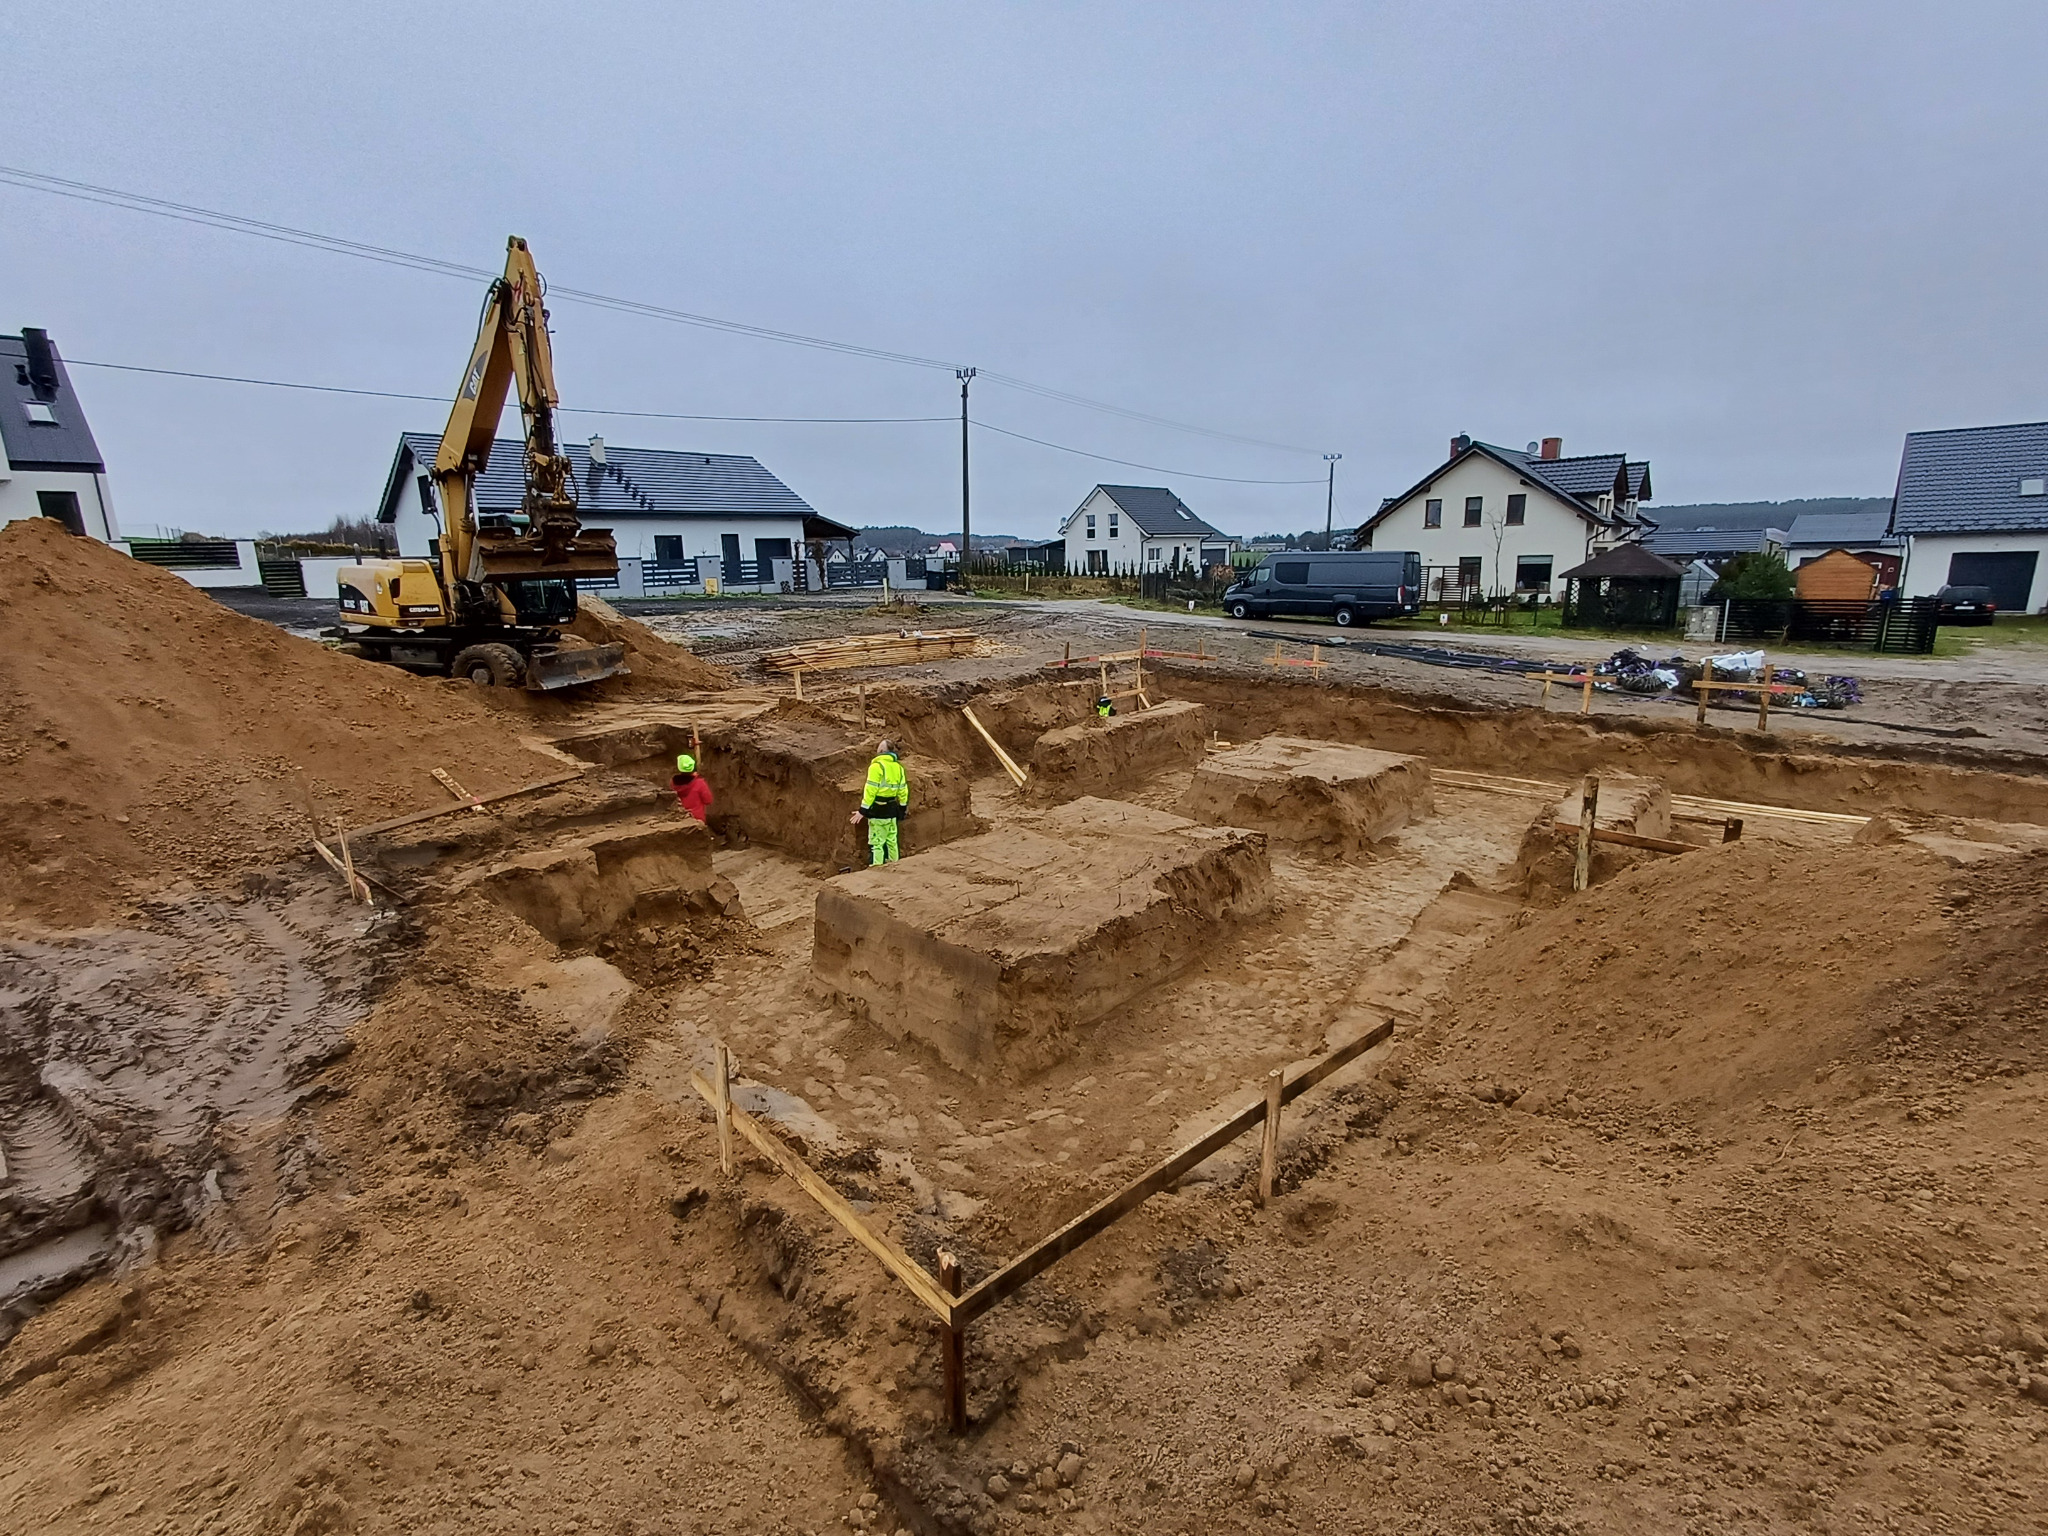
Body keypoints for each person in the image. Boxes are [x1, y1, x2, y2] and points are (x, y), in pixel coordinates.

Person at [848, 738, 909, 865]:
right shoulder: (898, 767)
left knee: (877, 843)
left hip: (878, 811)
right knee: (892, 841)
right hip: (892, 810)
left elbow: (871, 790)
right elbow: (903, 790)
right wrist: (902, 808)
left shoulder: (877, 767)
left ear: (881, 751)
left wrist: (863, 810)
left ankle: (877, 868)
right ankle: (896, 866)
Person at [671, 752, 714, 824]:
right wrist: (696, 777)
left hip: (680, 819)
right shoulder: (699, 783)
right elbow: (708, 800)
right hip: (697, 820)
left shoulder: (673, 782)